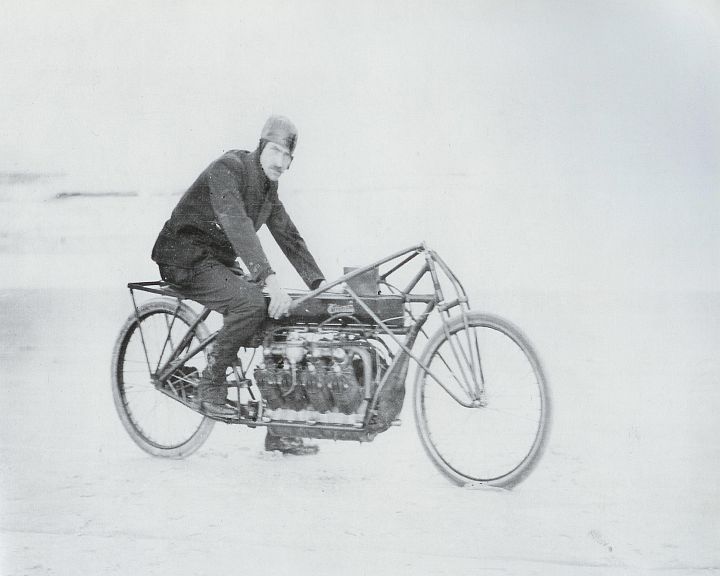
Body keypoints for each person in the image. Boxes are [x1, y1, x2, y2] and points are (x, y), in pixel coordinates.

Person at [151, 115, 324, 455]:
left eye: (288, 157)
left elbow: (289, 237)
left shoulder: (267, 189)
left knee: (281, 315)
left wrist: (319, 284)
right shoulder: (227, 169)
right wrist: (268, 279)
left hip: (215, 261)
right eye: (275, 151)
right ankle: (209, 385)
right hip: (183, 256)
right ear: (261, 147)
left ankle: (279, 428)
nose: (281, 162)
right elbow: (237, 224)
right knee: (251, 303)